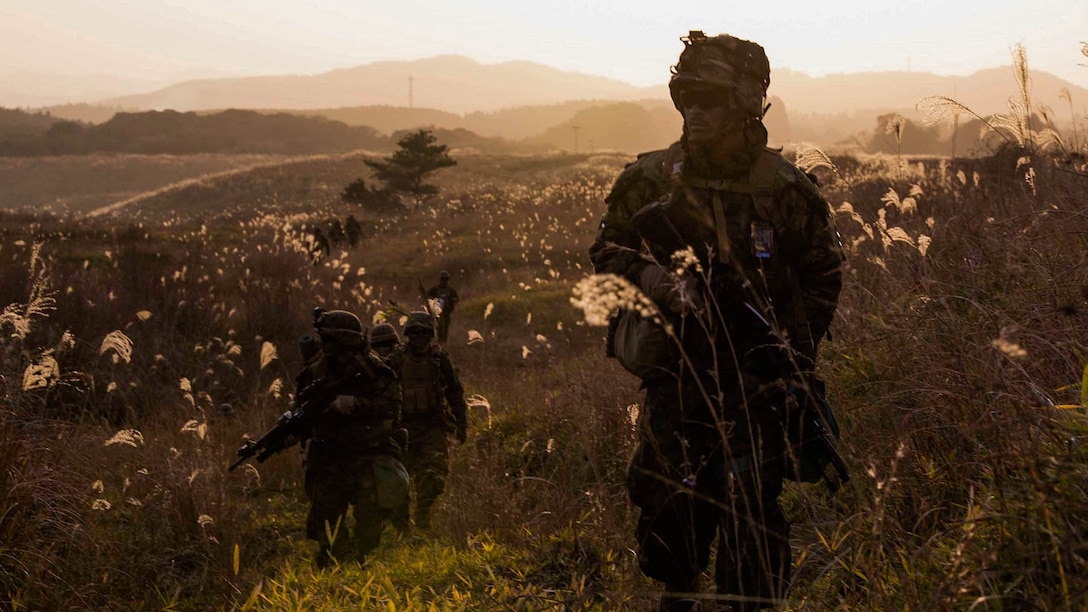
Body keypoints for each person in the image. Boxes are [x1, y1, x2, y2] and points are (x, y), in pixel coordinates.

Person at [589, 31, 844, 611]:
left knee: (752, 530)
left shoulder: (784, 191)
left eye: (709, 98)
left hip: (759, 383)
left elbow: (823, 275)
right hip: (677, 379)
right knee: (669, 525)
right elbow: (606, 251)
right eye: (685, 97)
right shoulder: (651, 180)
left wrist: (790, 351)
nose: (694, 111)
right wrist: (656, 282)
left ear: (747, 102)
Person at [295, 308, 408, 568]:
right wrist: (295, 430)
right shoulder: (315, 371)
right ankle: (335, 567)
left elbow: (392, 407)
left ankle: (358, 561)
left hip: (366, 453)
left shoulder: (375, 370)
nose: (326, 346)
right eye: (324, 340)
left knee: (370, 527)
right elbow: (300, 406)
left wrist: (356, 404)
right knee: (326, 525)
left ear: (346, 340)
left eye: (331, 340)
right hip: (328, 455)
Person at [386, 311, 468, 532]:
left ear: (430, 335)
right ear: (408, 335)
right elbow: (380, 390)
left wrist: (461, 424)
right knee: (400, 479)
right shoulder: (396, 359)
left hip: (433, 426)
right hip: (404, 427)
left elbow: (455, 393)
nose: (419, 338)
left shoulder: (440, 360)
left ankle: (422, 514)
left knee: (436, 474)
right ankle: (402, 525)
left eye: (424, 333)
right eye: (415, 333)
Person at [425, 271, 459, 344]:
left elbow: (456, 298)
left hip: (446, 312)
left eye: (446, 279)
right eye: (443, 279)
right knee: (438, 327)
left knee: (445, 328)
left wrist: (450, 301)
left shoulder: (450, 290)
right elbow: (428, 296)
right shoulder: (435, 289)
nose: (444, 281)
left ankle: (443, 342)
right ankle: (438, 341)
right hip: (437, 312)